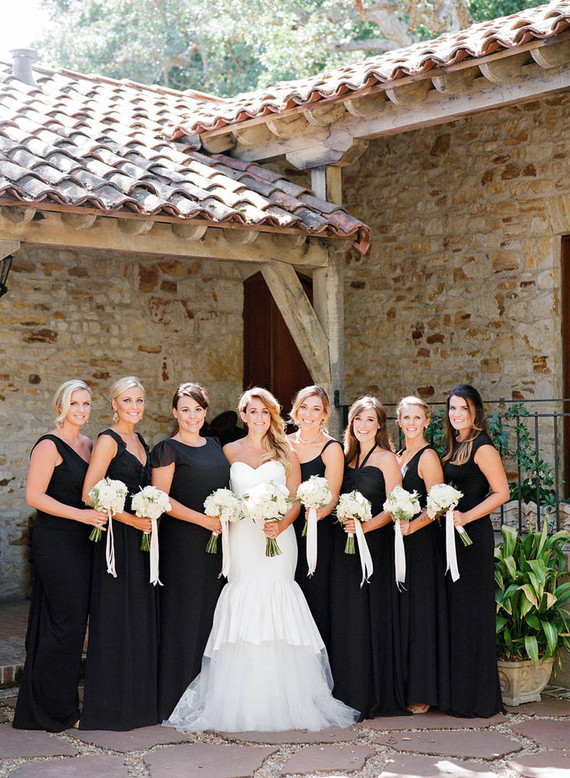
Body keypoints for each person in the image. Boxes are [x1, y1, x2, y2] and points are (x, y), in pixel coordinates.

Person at [164, 387, 358, 732]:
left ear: (272, 416)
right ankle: (240, 700)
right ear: (243, 415)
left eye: (265, 412)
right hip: (242, 538)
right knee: (244, 600)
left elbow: (295, 499)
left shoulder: (286, 451)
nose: (258, 418)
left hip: (278, 538)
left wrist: (280, 524)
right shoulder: (227, 451)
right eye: (252, 411)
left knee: (276, 599)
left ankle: (286, 700)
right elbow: (218, 491)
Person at [13, 380, 107, 731]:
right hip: (56, 543)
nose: (81, 410)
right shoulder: (48, 445)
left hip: (85, 542)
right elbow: (34, 496)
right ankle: (56, 710)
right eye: (74, 403)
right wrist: (82, 516)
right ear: (60, 407)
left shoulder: (90, 445)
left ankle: (48, 703)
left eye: (85, 403)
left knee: (72, 623)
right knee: (64, 624)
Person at [80, 376, 159, 730]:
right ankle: (108, 709)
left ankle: (138, 705)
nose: (134, 406)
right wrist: (131, 519)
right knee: (115, 618)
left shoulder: (141, 440)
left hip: (142, 541)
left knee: (138, 617)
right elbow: (89, 493)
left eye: (139, 400)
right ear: (114, 404)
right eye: (127, 400)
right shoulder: (108, 440)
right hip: (116, 540)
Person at [151, 383, 230, 720]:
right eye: (185, 410)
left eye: (197, 409)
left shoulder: (215, 446)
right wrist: (203, 520)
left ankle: (207, 698)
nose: (192, 416)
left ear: (205, 412)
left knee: (211, 616)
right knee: (182, 616)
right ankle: (174, 699)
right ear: (175, 412)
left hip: (216, 545)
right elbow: (160, 498)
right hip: (182, 544)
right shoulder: (167, 449)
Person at [329, 395, 408, 719]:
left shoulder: (387, 459)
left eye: (370, 420)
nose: (363, 425)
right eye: (358, 420)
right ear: (351, 424)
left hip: (375, 547)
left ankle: (374, 694)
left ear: (379, 426)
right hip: (343, 548)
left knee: (371, 615)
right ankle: (348, 690)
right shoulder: (345, 458)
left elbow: (396, 506)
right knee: (348, 617)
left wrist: (365, 527)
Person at [442, 384, 509, 718]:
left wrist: (467, 516)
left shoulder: (482, 446)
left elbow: (502, 492)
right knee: (456, 615)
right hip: (450, 537)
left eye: (463, 409)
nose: (457, 414)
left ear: (475, 412)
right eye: (452, 408)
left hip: (472, 538)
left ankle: (477, 699)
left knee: (472, 615)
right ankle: (457, 694)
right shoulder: (454, 444)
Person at [396, 396, 450, 715]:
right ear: (399, 421)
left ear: (427, 421)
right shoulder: (398, 455)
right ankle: (402, 684)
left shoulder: (427, 456)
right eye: (406, 417)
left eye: (417, 417)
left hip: (421, 543)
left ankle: (423, 690)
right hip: (400, 541)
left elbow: (438, 503)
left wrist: (412, 527)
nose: (411, 423)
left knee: (420, 613)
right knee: (404, 613)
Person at [288, 386, 343, 652]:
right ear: (296, 410)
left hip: (317, 530)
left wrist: (320, 511)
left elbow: (333, 495)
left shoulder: (331, 448)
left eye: (316, 409)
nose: (309, 414)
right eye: (304, 407)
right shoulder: (283, 442)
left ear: (325, 415)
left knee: (314, 595)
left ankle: (318, 661)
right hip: (285, 529)